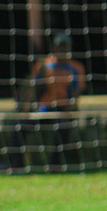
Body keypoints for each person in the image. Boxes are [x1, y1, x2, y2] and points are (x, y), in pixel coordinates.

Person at [11, 33, 87, 172]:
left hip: (63, 108)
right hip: (45, 108)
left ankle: (55, 165)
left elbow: (76, 92)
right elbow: (34, 89)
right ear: (54, 48)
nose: (62, 50)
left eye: (65, 47)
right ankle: (17, 165)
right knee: (20, 126)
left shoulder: (76, 68)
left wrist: (71, 109)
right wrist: (27, 110)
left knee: (64, 127)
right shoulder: (45, 65)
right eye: (60, 47)